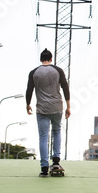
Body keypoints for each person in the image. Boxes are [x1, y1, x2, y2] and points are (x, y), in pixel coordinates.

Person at [26, 48, 71, 176]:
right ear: (51, 59)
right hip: (57, 107)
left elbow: (29, 90)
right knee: (56, 131)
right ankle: (56, 161)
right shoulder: (58, 70)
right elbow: (65, 88)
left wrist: (27, 104)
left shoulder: (34, 72)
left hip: (42, 109)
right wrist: (68, 106)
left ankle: (44, 167)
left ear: (41, 59)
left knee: (43, 137)